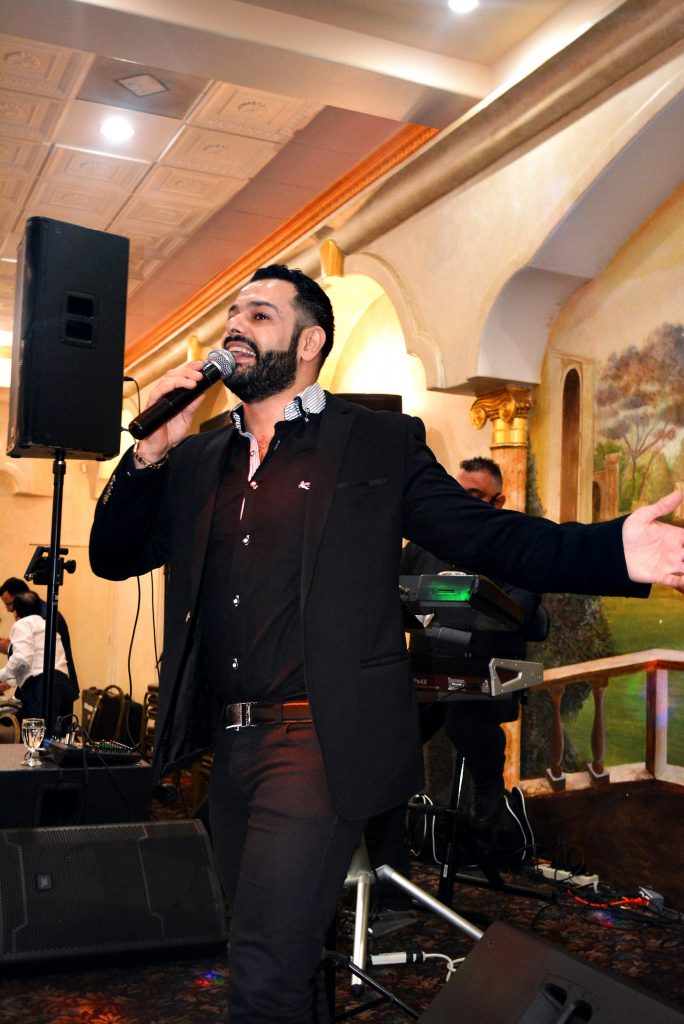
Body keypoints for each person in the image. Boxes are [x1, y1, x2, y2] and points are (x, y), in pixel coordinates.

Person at [89, 263, 684, 1024]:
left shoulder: (374, 442)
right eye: (233, 312)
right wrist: (149, 453)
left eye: (260, 314)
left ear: (309, 343)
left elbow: (487, 535)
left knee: (264, 969)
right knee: (282, 953)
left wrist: (612, 551)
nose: (236, 325)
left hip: (318, 738)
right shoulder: (201, 458)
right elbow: (113, 555)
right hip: (228, 742)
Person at [366, 456, 547, 894]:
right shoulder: (423, 546)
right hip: (426, 676)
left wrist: (457, 604)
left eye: (476, 496)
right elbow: (388, 592)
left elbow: (519, 610)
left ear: (498, 501)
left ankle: (489, 797)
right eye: (459, 493)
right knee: (386, 745)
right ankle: (385, 864)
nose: (464, 503)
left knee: (466, 720)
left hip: (486, 677)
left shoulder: (514, 545)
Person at [0, 591, 75, 725]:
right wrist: (9, 682)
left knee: (37, 735)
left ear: (16, 613)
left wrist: (1, 676)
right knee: (61, 736)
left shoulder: (22, 624)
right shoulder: (48, 626)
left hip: (42, 689)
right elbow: (35, 663)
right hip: (64, 686)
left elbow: (22, 660)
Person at [0, 576, 79, 696]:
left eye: (10, 604)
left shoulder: (40, 617)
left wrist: (10, 648)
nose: (8, 610)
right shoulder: (41, 613)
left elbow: (26, 659)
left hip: (47, 687)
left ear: (21, 597)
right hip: (59, 685)